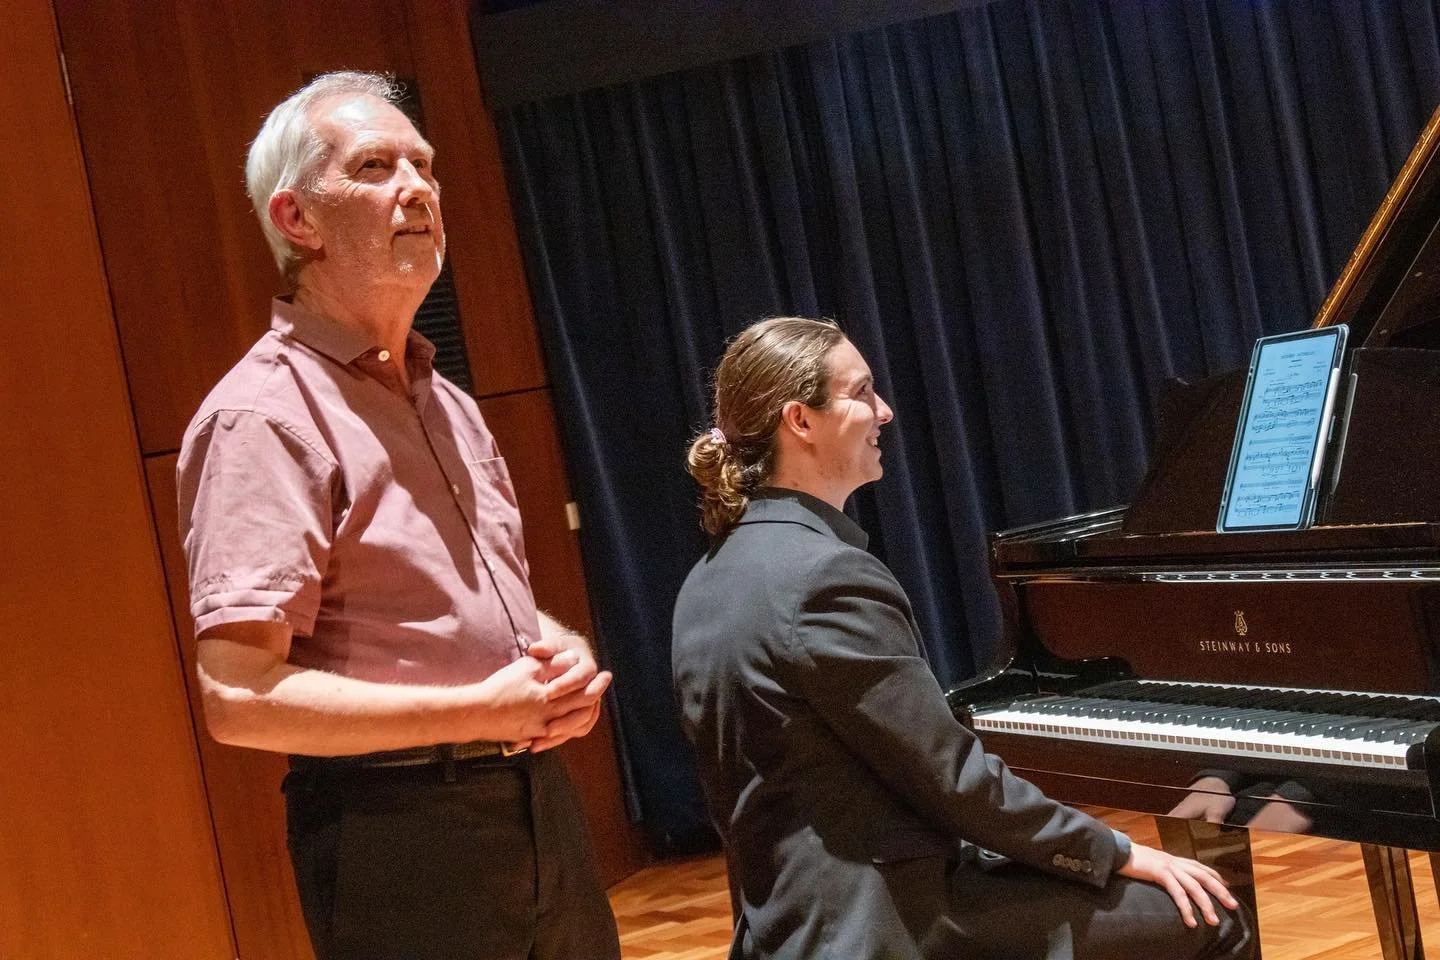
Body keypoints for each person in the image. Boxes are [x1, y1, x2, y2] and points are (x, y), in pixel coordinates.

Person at [177, 72, 620, 960]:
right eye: (376, 167)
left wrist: (556, 647)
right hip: (398, 834)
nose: (418, 188)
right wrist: (473, 711)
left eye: (425, 166)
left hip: (535, 801)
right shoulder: (264, 418)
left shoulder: (445, 401)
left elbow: (464, 600)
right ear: (296, 219)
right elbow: (236, 696)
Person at [671, 317, 1256, 959]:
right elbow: (953, 781)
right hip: (893, 922)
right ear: (799, 420)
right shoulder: (824, 575)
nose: (884, 411)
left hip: (788, 924)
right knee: (1210, 919)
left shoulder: (708, 577)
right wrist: (1111, 850)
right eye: (862, 393)